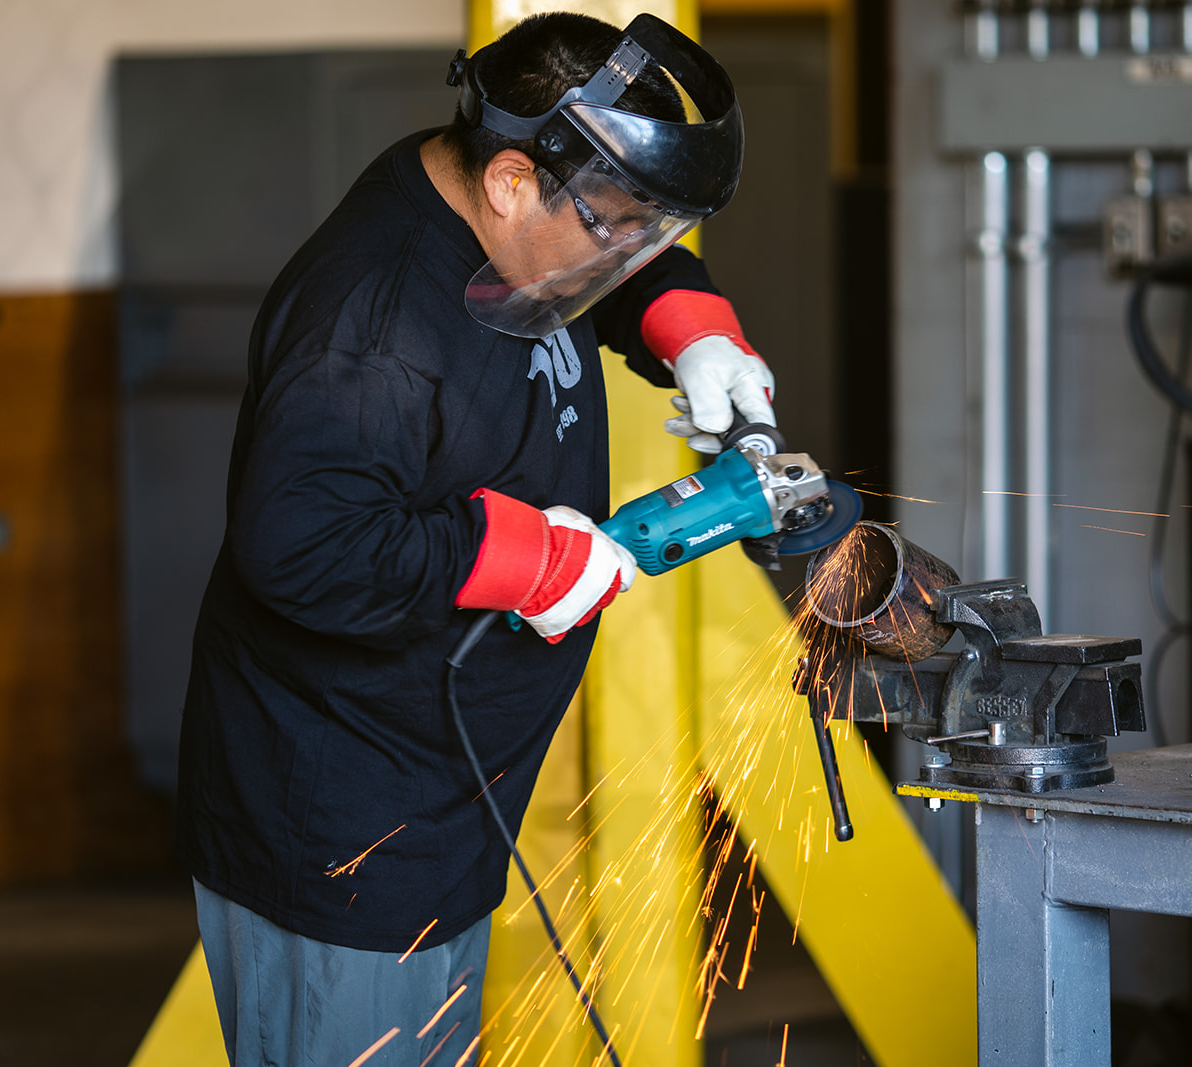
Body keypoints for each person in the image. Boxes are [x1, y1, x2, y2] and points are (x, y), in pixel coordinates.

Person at [175, 12, 774, 1066]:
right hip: (342, 839)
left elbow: (601, 264)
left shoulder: (504, 223)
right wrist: (524, 557)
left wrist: (695, 331)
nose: (637, 251)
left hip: (436, 807)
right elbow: (300, 542)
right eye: (622, 223)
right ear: (508, 180)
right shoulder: (370, 326)